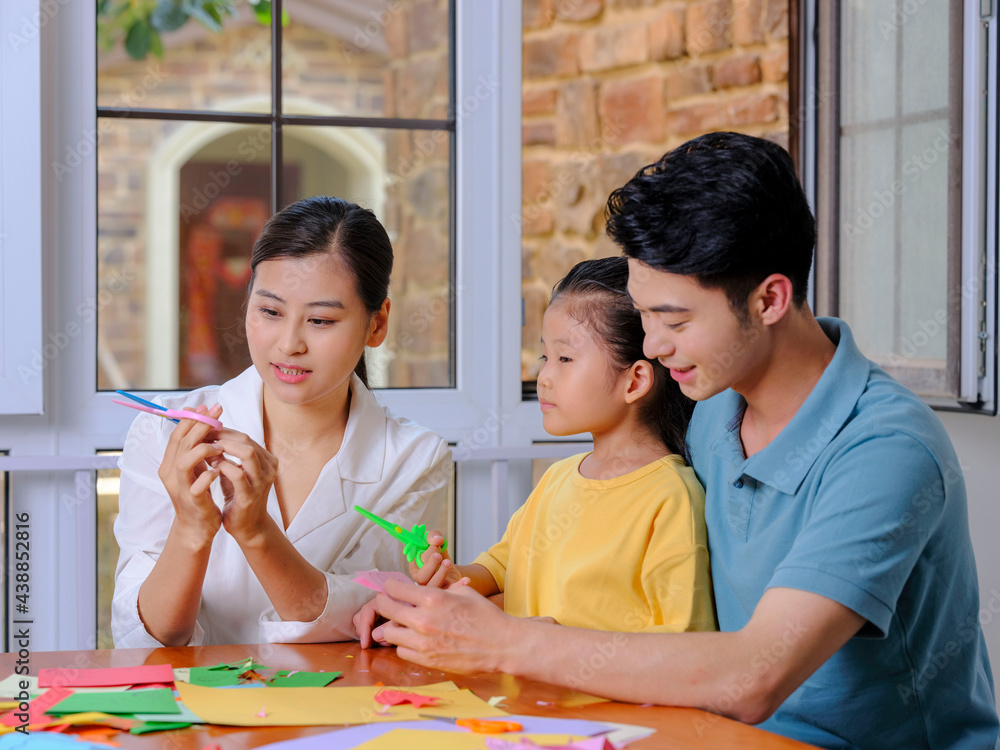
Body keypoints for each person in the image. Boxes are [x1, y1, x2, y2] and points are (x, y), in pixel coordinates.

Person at [370, 133, 1000, 749]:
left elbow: (755, 675)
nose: (651, 346)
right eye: (643, 315)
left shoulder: (885, 451)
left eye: (674, 320)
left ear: (769, 299)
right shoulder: (713, 406)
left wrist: (502, 640)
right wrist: (461, 602)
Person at [112, 196, 450, 648]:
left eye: (321, 320)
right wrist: (191, 531)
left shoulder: (414, 459)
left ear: (377, 324)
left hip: (343, 713)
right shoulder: (164, 435)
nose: (289, 344)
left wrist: (255, 532)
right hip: (192, 712)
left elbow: (368, 624)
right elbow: (146, 639)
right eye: (270, 312)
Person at [355, 257, 715, 646]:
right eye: (546, 357)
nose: (543, 376)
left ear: (635, 381)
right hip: (521, 701)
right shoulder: (557, 481)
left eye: (565, 358)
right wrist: (449, 575)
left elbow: (684, 645)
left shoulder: (671, 500)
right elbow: (498, 571)